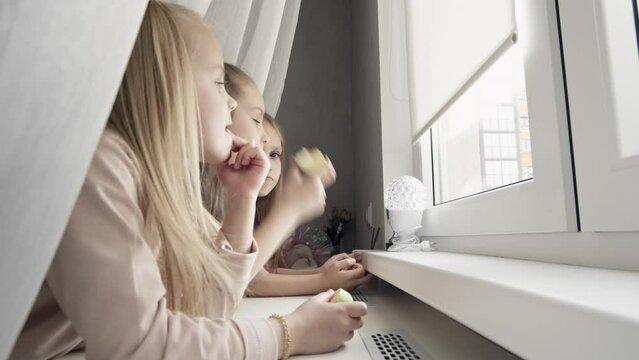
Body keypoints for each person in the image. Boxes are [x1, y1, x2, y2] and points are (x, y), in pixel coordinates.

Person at [10, 2, 366, 359]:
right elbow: (143, 347)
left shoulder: (151, 184)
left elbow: (200, 310)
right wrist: (289, 334)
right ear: (166, 88)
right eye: (217, 83)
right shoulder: (100, 164)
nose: (229, 104)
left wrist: (242, 202)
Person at [248, 113, 372, 296]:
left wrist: (323, 272)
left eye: (274, 154)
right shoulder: (221, 213)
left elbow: (264, 272)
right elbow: (251, 282)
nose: (267, 163)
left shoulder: (256, 212)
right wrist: (324, 281)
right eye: (256, 150)